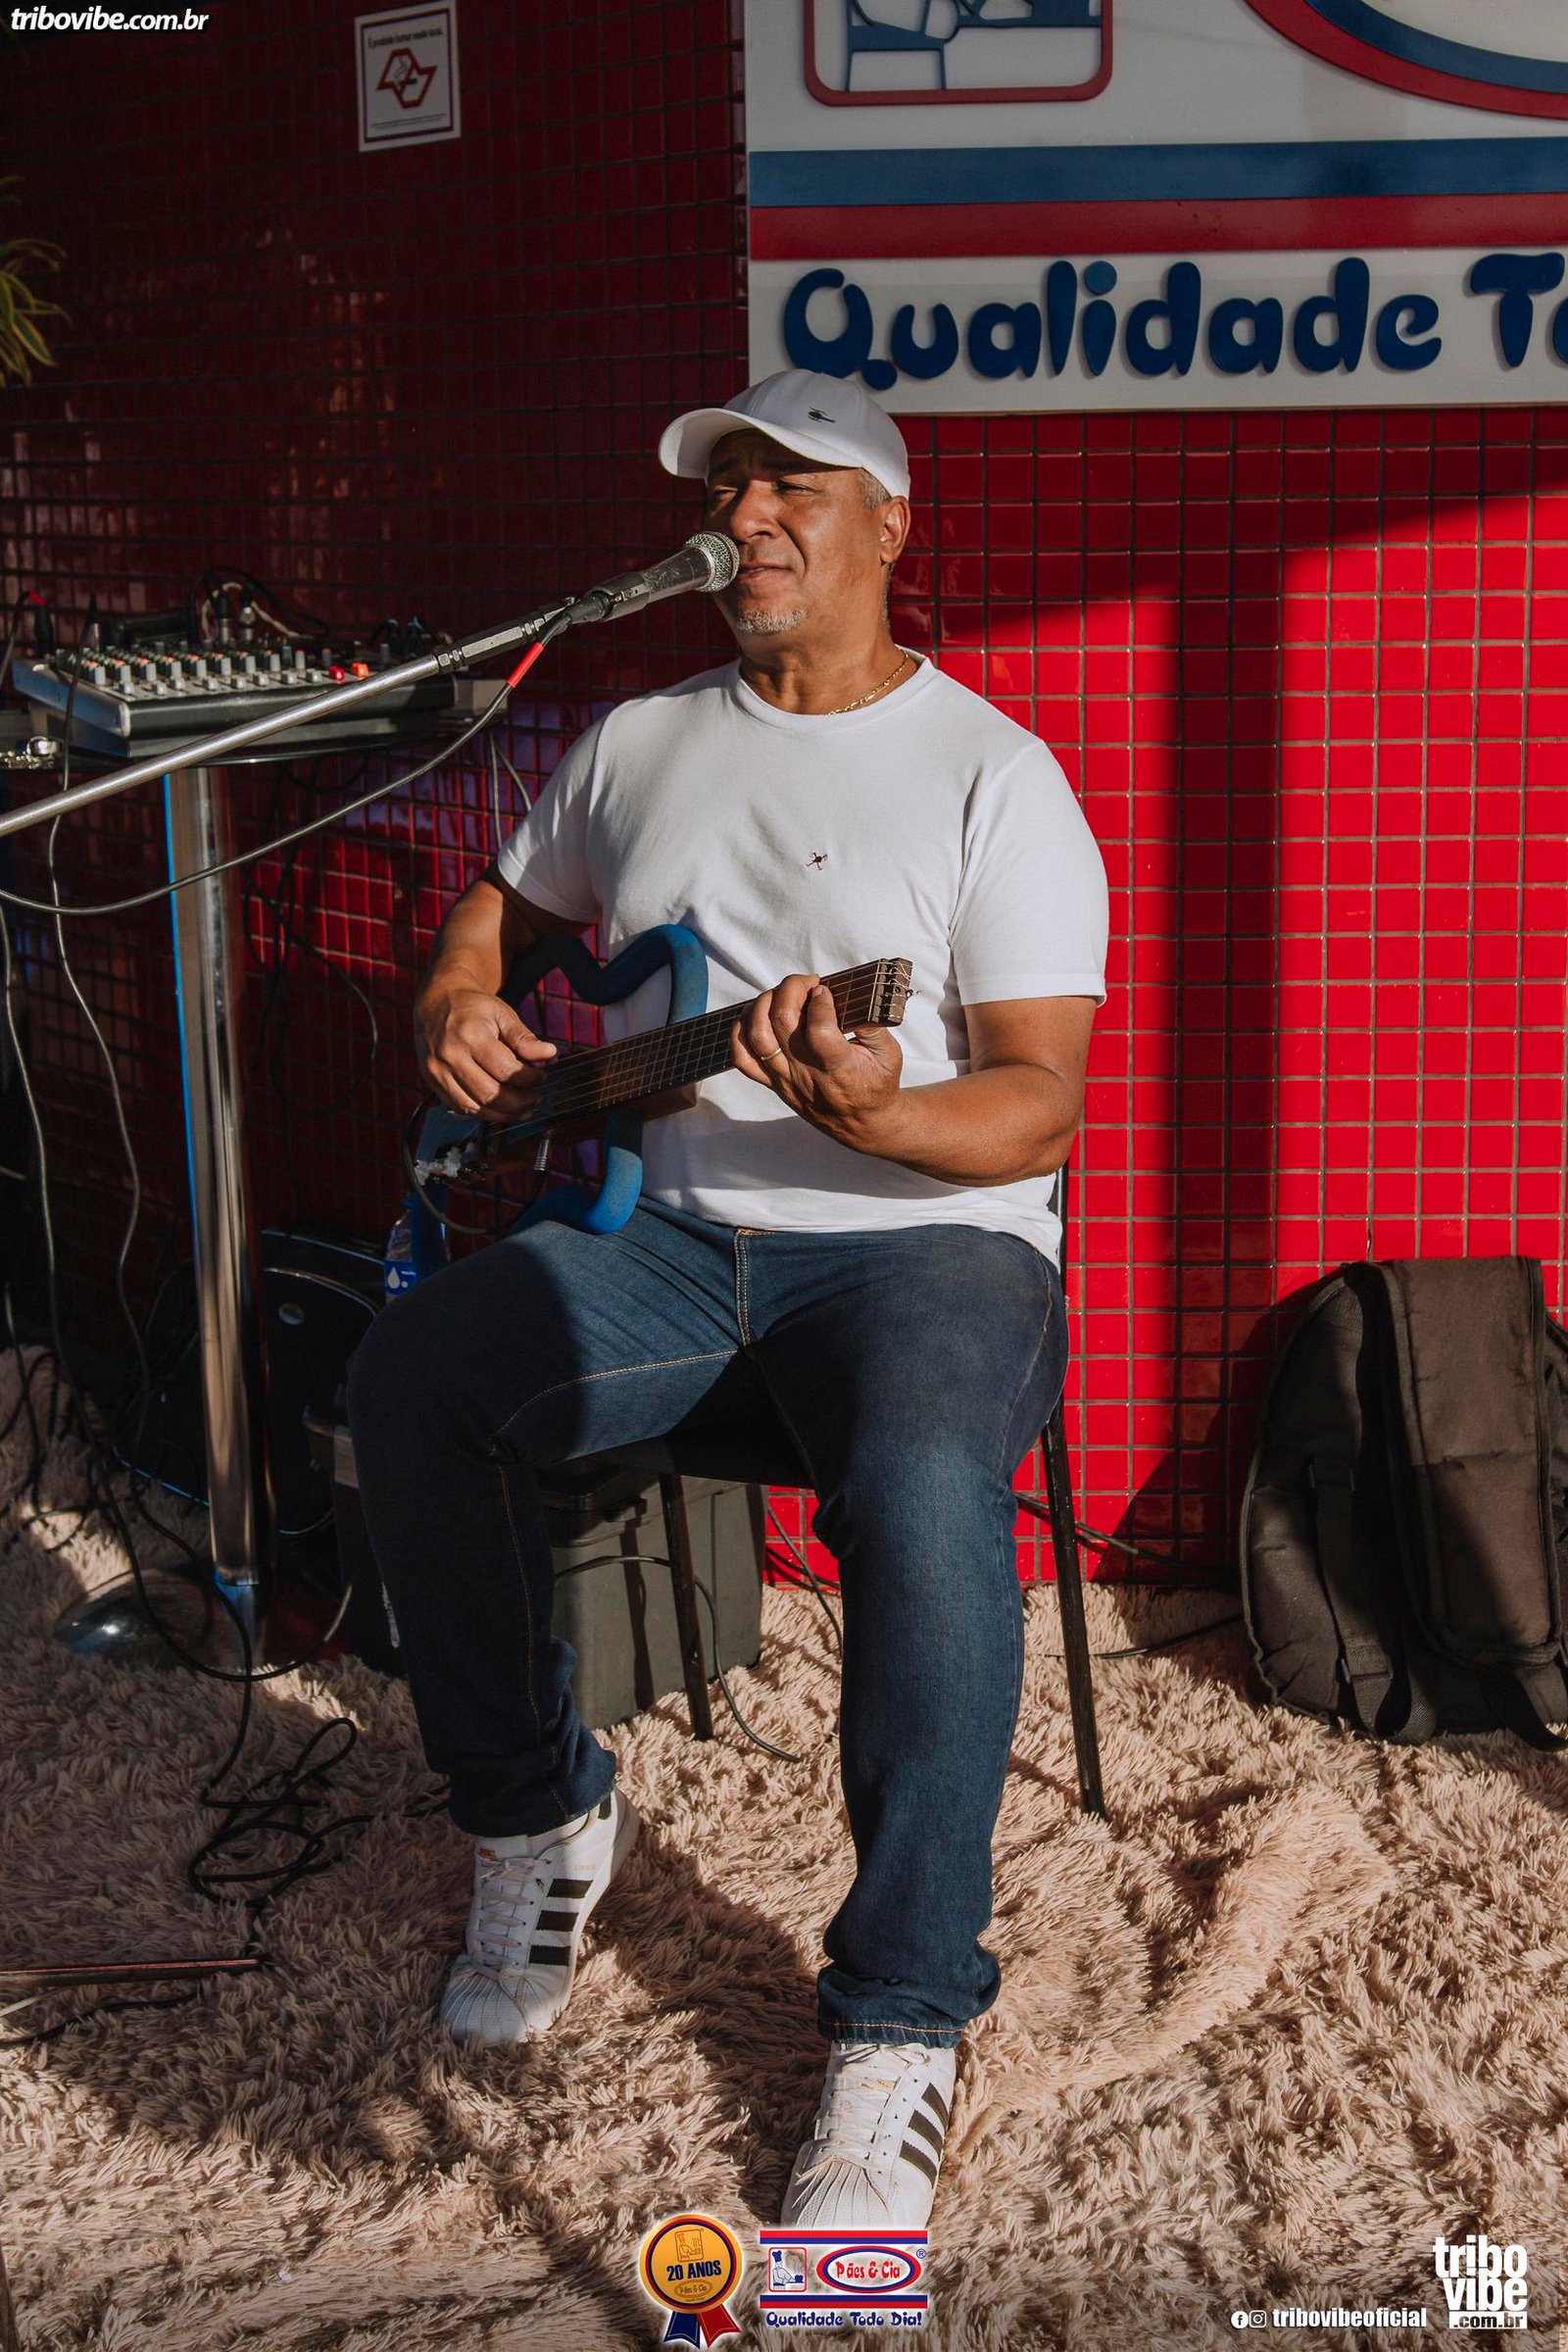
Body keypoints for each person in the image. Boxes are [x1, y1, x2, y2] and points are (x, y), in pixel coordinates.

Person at [346, 367, 1108, 2230]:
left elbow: (1039, 1102)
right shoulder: (636, 740)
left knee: (922, 1493)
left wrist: (886, 1112)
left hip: (930, 1248)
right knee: (415, 1377)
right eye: (727, 492)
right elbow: (500, 912)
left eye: (794, 489)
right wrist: (457, 996)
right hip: (668, 1240)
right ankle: (541, 1815)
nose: (747, 520)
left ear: (888, 527)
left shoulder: (995, 774)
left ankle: (901, 2018)